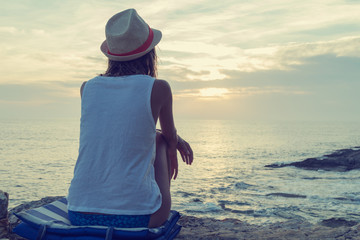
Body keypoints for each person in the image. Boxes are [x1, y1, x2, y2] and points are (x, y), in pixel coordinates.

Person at [67, 9, 193, 228]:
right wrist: (173, 142)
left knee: (157, 135)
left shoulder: (87, 88)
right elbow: (169, 137)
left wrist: (169, 136)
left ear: (111, 54)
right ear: (150, 53)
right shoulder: (158, 87)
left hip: (78, 212)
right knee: (160, 140)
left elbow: (120, 124)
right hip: (141, 217)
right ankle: (155, 199)